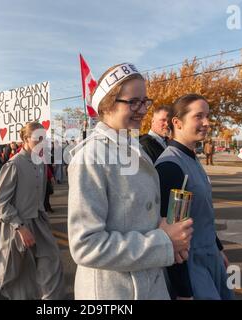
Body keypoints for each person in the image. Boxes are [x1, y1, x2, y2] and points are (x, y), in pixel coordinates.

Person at [68, 63, 193, 300]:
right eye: (133, 102)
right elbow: (86, 246)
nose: (143, 109)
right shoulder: (91, 157)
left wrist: (165, 227)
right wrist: (163, 242)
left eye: (145, 101)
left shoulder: (132, 147)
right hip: (115, 291)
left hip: (149, 284)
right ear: (107, 105)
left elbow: (133, 216)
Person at [155, 94, 233, 300]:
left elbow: (202, 214)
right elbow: (172, 237)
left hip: (209, 258)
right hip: (191, 266)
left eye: (207, 116)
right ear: (177, 123)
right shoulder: (171, 166)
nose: (207, 123)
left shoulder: (192, 158)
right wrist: (183, 292)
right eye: (198, 116)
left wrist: (217, 249)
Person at [0, 122, 65, 300]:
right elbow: (0, 203)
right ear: (26, 139)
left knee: (51, 260)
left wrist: (42, 217)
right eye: (38, 138)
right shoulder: (14, 164)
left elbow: (39, 196)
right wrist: (20, 227)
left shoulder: (40, 162)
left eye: (45, 138)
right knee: (15, 272)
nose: (43, 142)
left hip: (38, 223)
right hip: (17, 225)